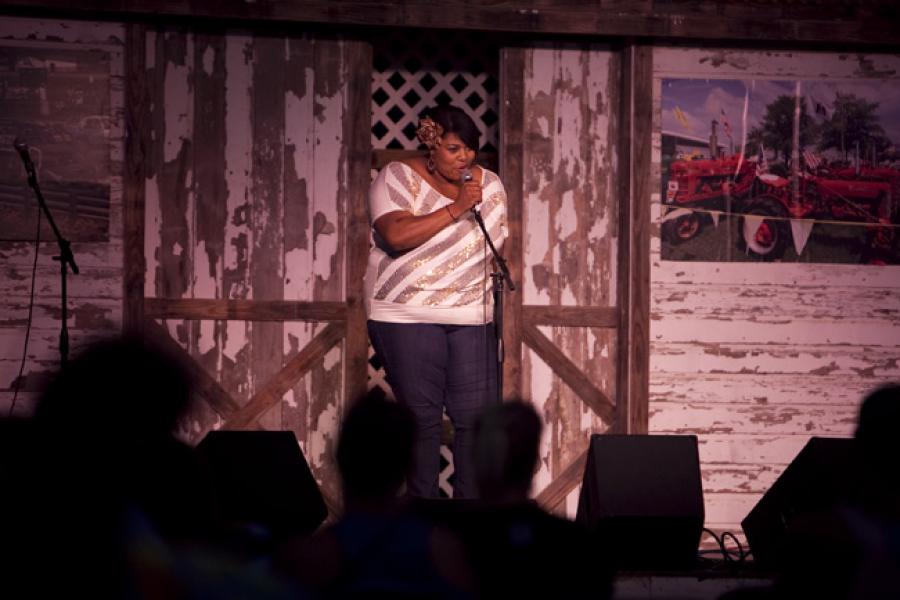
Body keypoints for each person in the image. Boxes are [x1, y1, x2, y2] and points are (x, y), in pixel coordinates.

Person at [365, 104, 507, 499]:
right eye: (454, 148)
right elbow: (396, 234)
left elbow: (492, 245)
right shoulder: (396, 176)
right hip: (406, 314)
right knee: (422, 421)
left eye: (470, 149)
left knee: (476, 421)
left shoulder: (490, 185)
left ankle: (470, 521)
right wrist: (456, 207)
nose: (465, 157)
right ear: (431, 143)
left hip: (471, 314)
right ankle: (421, 517)